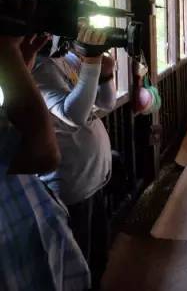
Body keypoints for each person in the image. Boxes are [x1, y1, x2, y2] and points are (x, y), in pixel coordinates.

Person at [0, 0, 90, 290]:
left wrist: (17, 60)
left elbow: (101, 103)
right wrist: (9, 54)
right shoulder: (46, 69)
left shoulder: (60, 62)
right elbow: (47, 146)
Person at [32, 21, 117, 288]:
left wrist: (105, 74)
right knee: (78, 269)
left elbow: (105, 103)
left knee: (98, 259)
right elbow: (74, 115)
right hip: (71, 188)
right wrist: (92, 64)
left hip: (91, 180)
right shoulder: (37, 69)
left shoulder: (67, 61)